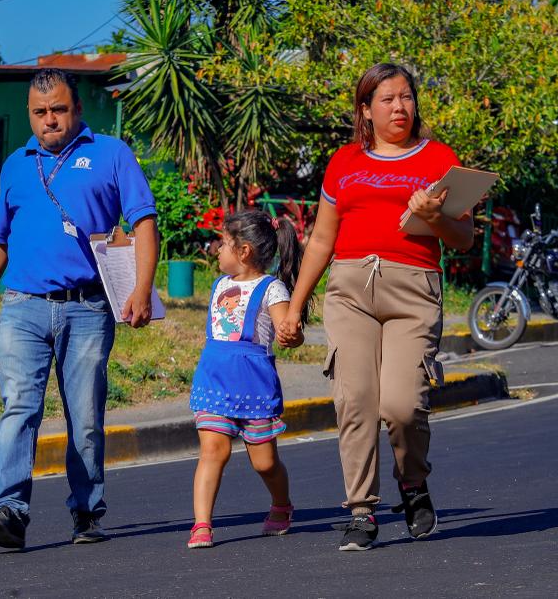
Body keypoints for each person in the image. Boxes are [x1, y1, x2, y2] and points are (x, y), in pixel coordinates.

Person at [0, 68, 158, 550]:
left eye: (59, 110)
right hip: (23, 307)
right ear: (30, 113)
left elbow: (144, 221)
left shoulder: (110, 154)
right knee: (18, 408)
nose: (50, 120)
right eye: (40, 112)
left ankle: (87, 512)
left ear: (77, 110)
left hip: (88, 308)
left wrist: (143, 289)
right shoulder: (16, 164)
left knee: (85, 415)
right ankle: (10, 510)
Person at [279, 63, 473, 551]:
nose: (399, 107)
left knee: (403, 406)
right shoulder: (344, 161)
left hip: (413, 288)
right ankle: (362, 509)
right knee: (355, 400)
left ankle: (412, 481)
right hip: (349, 289)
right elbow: (321, 239)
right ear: (365, 110)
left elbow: (464, 239)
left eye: (406, 97)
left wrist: (436, 217)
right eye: (387, 99)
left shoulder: (439, 160)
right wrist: (295, 307)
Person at [186, 210, 308, 549]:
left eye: (223, 244)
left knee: (265, 462)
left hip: (254, 386)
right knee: (212, 451)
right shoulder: (219, 285)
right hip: (214, 382)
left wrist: (291, 335)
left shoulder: (272, 289)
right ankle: (201, 525)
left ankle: (281, 505)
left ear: (243, 252)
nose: (216, 250)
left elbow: (287, 331)